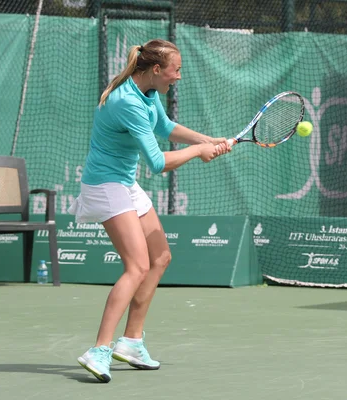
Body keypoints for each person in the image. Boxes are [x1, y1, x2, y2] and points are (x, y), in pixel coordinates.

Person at [70, 39, 231, 383]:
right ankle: (99, 349)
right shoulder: (126, 101)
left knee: (159, 258)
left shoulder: (147, 92)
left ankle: (130, 343)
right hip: (105, 185)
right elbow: (158, 163)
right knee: (137, 266)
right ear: (157, 70)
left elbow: (166, 128)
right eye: (177, 70)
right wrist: (198, 152)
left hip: (124, 182)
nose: (179, 76)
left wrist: (210, 140)